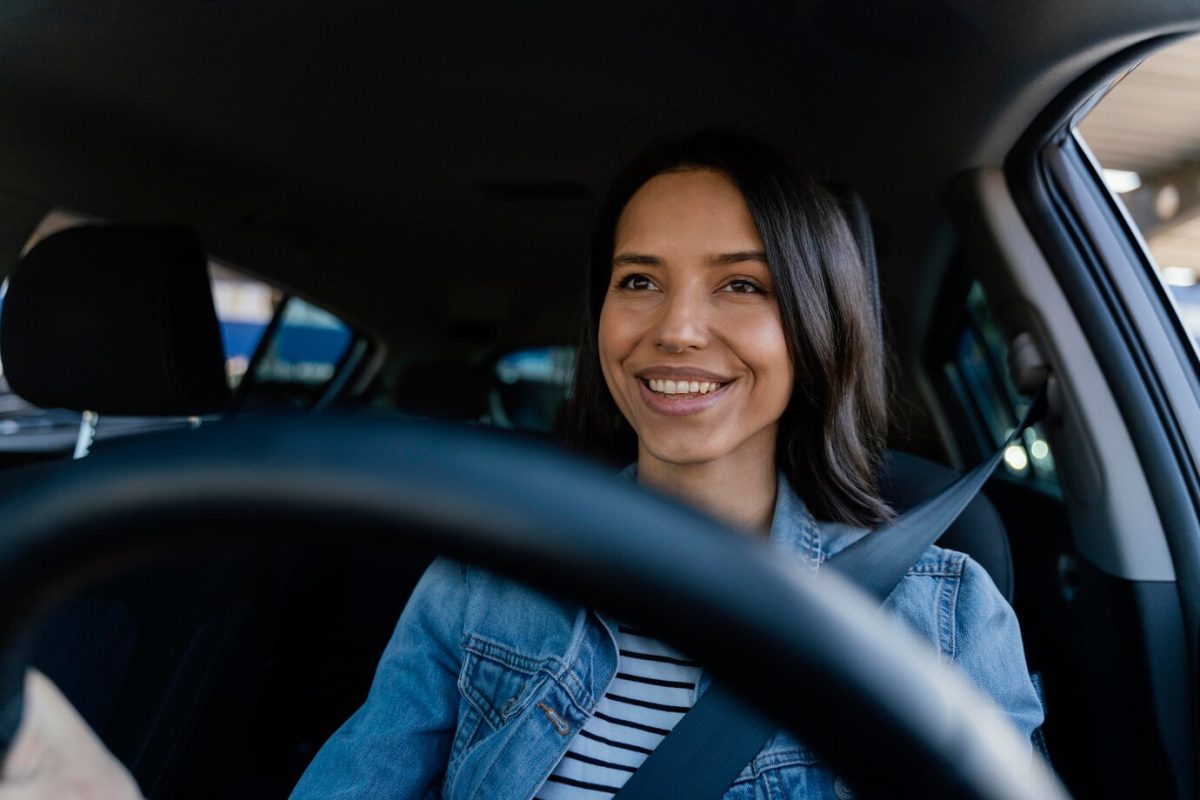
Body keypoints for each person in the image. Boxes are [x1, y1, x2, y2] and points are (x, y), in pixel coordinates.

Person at [0, 131, 1043, 799]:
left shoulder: (940, 611)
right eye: (640, 280)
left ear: (819, 324)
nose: (676, 328)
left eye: (742, 286)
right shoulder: (481, 580)